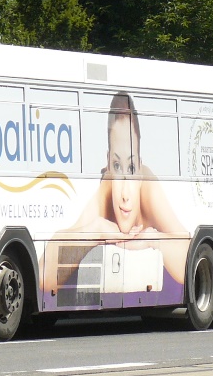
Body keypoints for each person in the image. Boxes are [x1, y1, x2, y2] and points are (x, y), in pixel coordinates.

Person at [40, 92, 189, 295]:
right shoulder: (105, 193)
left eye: (131, 167)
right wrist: (97, 230)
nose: (125, 194)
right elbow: (44, 275)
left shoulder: (148, 187)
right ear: (108, 164)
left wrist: (154, 239)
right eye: (117, 166)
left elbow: (189, 257)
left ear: (140, 165)